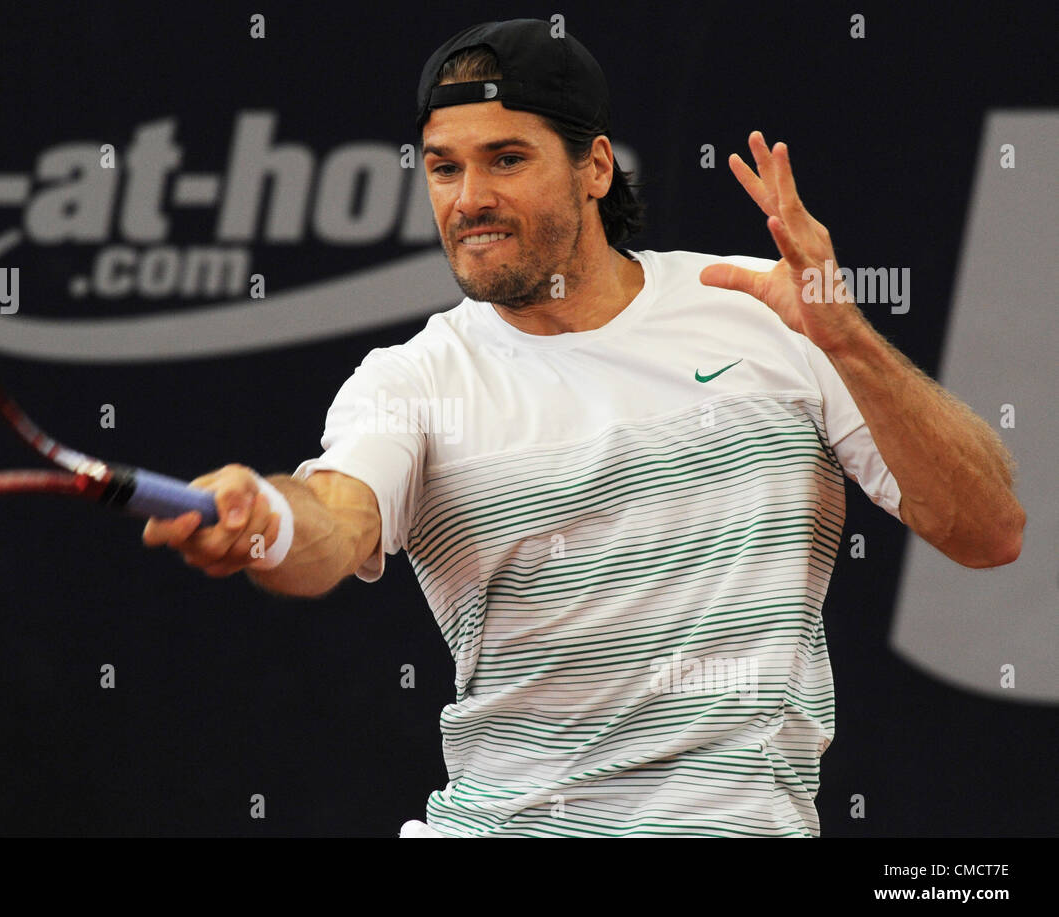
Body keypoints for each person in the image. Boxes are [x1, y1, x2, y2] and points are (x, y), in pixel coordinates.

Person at [142, 19, 1025, 837]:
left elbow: (987, 530)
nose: (469, 199)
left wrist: (847, 338)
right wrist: (268, 518)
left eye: (506, 160)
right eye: (444, 168)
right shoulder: (412, 381)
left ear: (595, 166)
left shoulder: (762, 309)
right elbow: (335, 522)